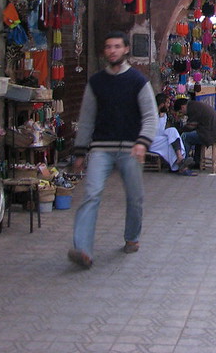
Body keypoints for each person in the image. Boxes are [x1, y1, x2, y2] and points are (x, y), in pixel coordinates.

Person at [68, 31, 158, 269]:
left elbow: (151, 116)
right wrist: (80, 151)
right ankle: (83, 249)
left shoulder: (138, 81)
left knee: (134, 197)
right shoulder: (96, 83)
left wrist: (142, 142)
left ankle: (132, 237)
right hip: (101, 148)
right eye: (108, 47)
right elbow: (86, 118)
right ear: (104, 51)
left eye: (117, 46)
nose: (112, 51)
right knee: (91, 194)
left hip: (130, 148)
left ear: (126, 49)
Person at [174, 95, 216, 168]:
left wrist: (178, 131)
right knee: (196, 136)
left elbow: (190, 126)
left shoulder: (192, 108)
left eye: (181, 112)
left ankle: (183, 163)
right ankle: (197, 162)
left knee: (185, 136)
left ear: (182, 107)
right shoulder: (195, 105)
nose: (182, 114)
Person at [149, 94, 195, 175]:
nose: (168, 105)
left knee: (172, 131)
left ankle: (180, 160)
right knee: (170, 141)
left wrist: (162, 117)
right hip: (150, 141)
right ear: (162, 104)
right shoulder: (151, 114)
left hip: (159, 139)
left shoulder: (164, 115)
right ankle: (181, 164)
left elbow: (162, 131)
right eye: (167, 103)